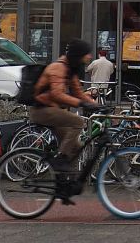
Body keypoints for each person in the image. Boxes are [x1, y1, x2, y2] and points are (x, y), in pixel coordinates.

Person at [31, 39, 101, 201]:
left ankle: (63, 184)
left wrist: (96, 105)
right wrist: (81, 104)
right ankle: (61, 159)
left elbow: (78, 92)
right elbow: (57, 94)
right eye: (87, 54)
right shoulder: (58, 68)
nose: (90, 57)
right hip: (41, 110)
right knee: (78, 122)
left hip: (53, 110)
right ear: (78, 55)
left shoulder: (70, 70)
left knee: (76, 147)